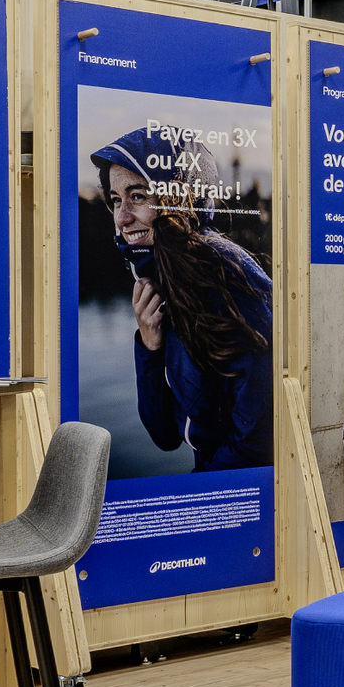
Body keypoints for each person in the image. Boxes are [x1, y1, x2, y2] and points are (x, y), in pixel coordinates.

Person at [94, 127, 274, 472]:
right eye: (116, 200)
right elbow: (164, 435)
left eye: (138, 196)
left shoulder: (229, 277)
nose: (121, 218)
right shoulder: (166, 276)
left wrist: (200, 487)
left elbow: (257, 442)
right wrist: (149, 345)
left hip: (234, 494)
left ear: (181, 197)